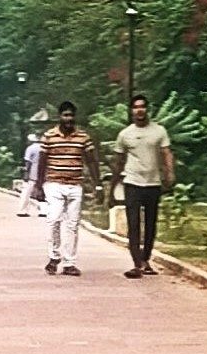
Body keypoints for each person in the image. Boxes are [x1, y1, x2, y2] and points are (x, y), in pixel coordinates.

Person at [111, 93, 175, 279]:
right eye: (136, 107)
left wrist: (169, 173)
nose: (139, 110)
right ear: (131, 111)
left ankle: (146, 259)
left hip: (153, 183)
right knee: (133, 224)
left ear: (147, 109)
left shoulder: (159, 131)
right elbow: (118, 161)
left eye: (142, 106)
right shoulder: (125, 134)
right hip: (132, 182)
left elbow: (166, 153)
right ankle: (136, 263)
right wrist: (112, 188)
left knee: (150, 223)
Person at [32, 102, 99, 276]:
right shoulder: (49, 136)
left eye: (71, 115)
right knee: (54, 219)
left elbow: (91, 160)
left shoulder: (83, 137)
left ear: (75, 117)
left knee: (73, 224)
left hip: (75, 184)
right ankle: (54, 256)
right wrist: (38, 185)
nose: (68, 119)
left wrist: (97, 183)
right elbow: (42, 161)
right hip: (54, 183)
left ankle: (69, 262)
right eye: (65, 115)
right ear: (59, 117)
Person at [14, 133, 41, 214]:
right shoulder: (42, 148)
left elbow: (28, 162)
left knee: (26, 192)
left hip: (32, 173)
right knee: (42, 193)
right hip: (42, 174)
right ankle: (44, 211)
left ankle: (23, 210)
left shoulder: (30, 148)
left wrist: (26, 173)